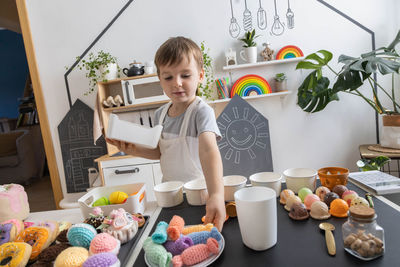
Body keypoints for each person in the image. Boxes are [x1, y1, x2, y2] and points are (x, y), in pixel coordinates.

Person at [106, 37, 226, 231]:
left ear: (201, 76)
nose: (177, 83)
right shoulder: (160, 114)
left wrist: (216, 195)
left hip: (200, 196)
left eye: (185, 75)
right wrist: (132, 149)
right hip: (170, 195)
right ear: (160, 80)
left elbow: (208, 151)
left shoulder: (201, 111)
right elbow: (161, 152)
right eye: (168, 77)